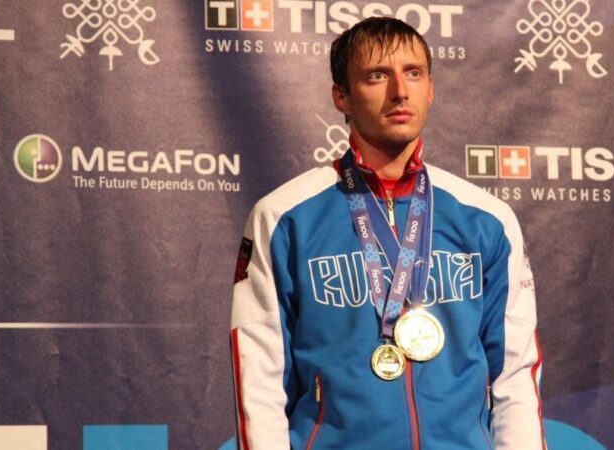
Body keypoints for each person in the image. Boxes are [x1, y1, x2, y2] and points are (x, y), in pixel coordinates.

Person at [231, 17, 545, 450]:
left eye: (413, 73)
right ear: (341, 96)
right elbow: (258, 382)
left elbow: (515, 376)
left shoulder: (487, 219)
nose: (400, 91)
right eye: (377, 76)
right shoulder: (283, 217)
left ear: (430, 88)